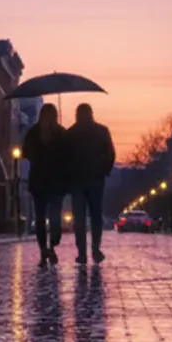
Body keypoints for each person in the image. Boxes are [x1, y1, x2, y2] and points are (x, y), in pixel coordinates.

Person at [21, 103, 70, 267]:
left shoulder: (33, 133)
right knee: (54, 217)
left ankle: (44, 250)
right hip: (55, 182)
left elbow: (25, 152)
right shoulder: (61, 133)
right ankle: (51, 246)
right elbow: (68, 157)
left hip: (40, 181)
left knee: (41, 218)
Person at [68, 103, 116, 264]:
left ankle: (82, 252)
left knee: (79, 218)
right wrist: (104, 170)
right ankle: (95, 249)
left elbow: (63, 159)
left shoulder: (71, 134)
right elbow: (110, 154)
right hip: (95, 179)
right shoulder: (101, 131)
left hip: (77, 181)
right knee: (96, 216)